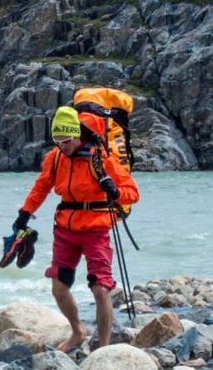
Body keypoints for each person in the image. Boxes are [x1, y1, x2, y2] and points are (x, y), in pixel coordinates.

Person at [12, 105, 139, 353]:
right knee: (58, 288)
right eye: (57, 140)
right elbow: (41, 188)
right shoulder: (55, 158)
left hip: (96, 228)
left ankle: (103, 349)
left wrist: (115, 191)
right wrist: (24, 214)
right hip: (65, 229)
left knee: (100, 288)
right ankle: (78, 332)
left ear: (77, 135)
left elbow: (133, 193)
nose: (63, 145)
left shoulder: (101, 159)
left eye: (67, 140)